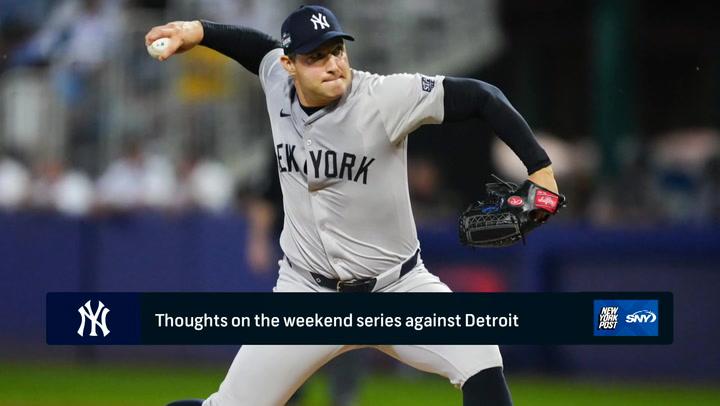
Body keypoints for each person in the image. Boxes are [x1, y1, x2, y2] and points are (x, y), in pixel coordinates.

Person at [146, 5, 558, 406]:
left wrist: (539, 168)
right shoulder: (277, 80)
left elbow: (482, 96)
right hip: (307, 293)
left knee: (481, 356)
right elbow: (257, 49)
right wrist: (198, 31)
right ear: (290, 65)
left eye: (337, 50)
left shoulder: (383, 97)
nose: (332, 64)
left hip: (397, 289)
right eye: (316, 56)